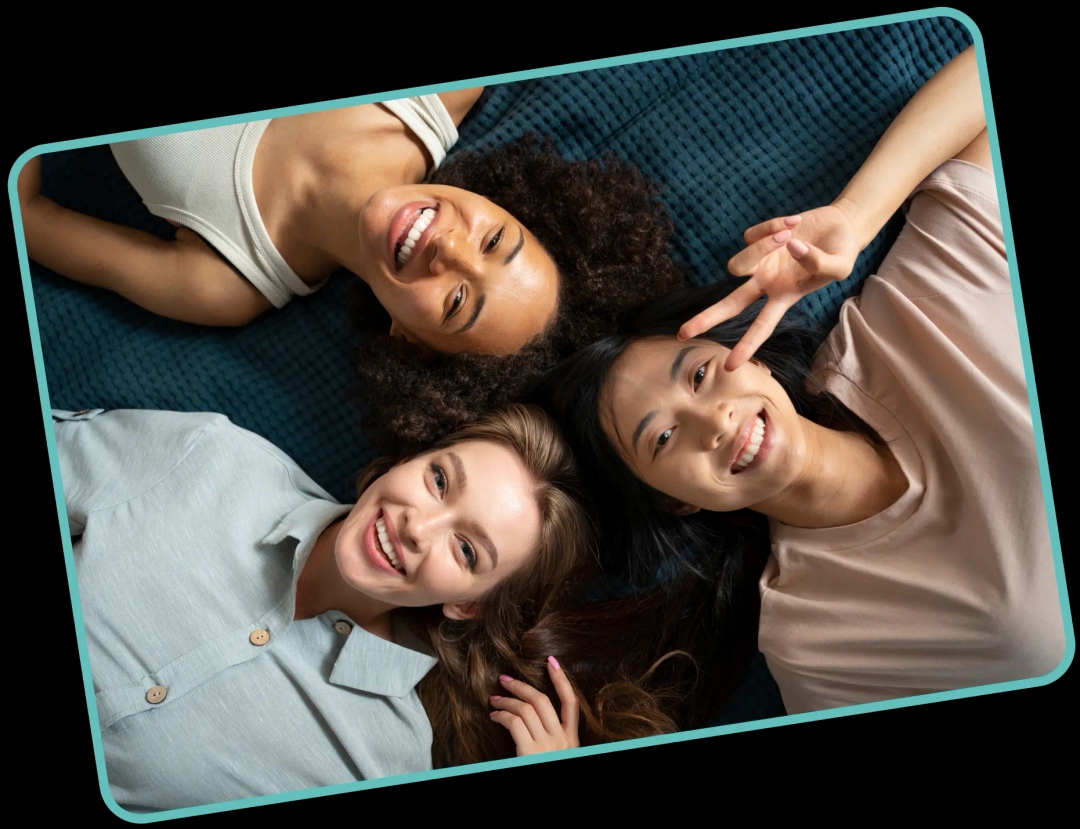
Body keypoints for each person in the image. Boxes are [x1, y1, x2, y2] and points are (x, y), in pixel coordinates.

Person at [528, 45, 1066, 715]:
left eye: (700, 375)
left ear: (748, 355)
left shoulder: (901, 328)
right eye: (663, 438)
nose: (713, 421)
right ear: (676, 502)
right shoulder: (809, 641)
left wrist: (856, 217)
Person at [54, 402, 682, 813]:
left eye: (466, 549)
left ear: (467, 604)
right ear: (410, 458)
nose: (417, 527)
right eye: (439, 480)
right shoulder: (213, 458)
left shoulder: (385, 761)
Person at [18, 92, 685, 448]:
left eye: (457, 302)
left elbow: (27, 213)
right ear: (510, 205)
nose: (450, 251)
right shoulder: (445, 93)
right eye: (494, 240)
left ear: (408, 342)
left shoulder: (224, 280)